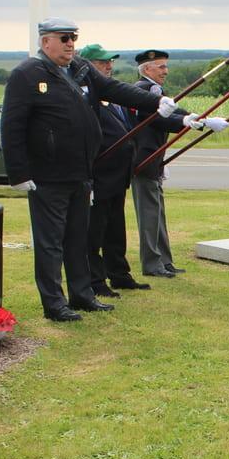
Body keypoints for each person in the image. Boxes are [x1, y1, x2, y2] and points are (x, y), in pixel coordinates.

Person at [0, 21, 219, 321]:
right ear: (45, 41)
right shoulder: (27, 74)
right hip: (48, 173)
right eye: (64, 39)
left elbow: (117, 90)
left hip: (83, 170)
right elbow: (12, 126)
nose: (70, 44)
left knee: (79, 237)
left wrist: (158, 102)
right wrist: (19, 174)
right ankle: (54, 303)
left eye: (73, 38)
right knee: (50, 242)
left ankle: (82, 295)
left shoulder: (79, 69)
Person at [80, 44, 149, 298]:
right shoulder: (86, 97)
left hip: (118, 176)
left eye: (110, 62)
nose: (109, 66)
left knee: (115, 230)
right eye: (102, 62)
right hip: (98, 175)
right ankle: (96, 281)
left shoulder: (109, 96)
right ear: (87, 65)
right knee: (94, 232)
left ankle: (119, 274)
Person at [130, 50, 191, 278]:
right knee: (149, 214)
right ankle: (152, 263)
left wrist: (197, 117)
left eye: (166, 66)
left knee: (157, 212)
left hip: (154, 159)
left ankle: (164, 261)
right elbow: (158, 119)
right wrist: (186, 121)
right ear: (147, 70)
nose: (166, 71)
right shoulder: (143, 91)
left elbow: (172, 110)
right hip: (143, 159)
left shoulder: (154, 91)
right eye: (161, 67)